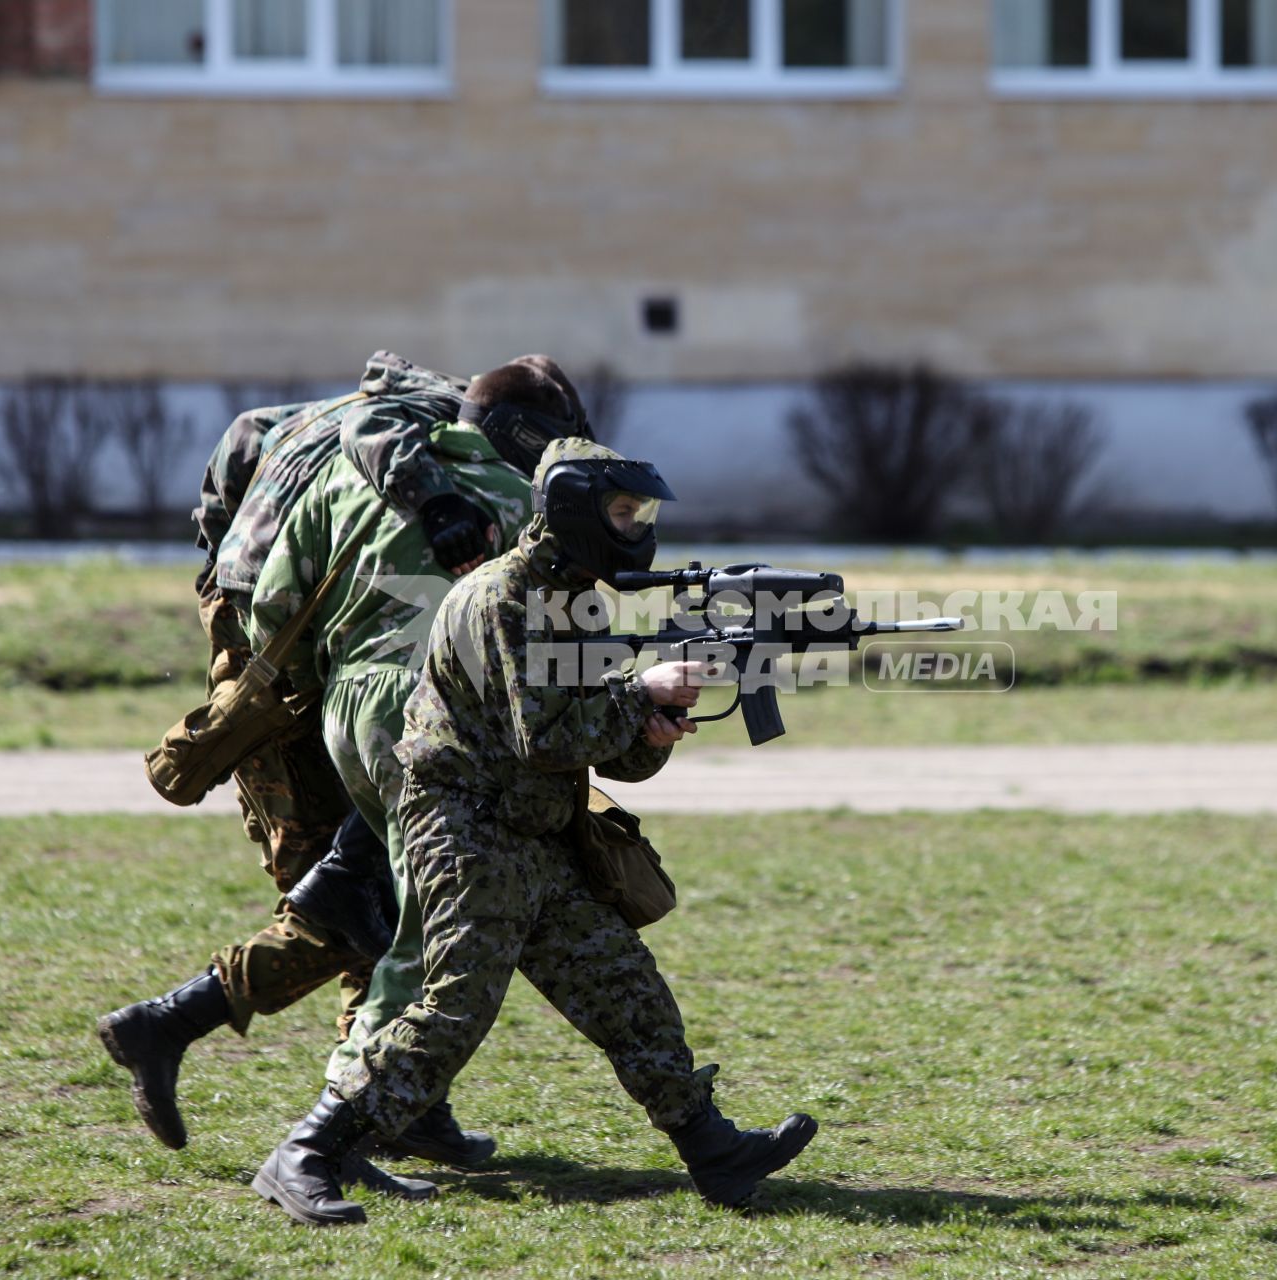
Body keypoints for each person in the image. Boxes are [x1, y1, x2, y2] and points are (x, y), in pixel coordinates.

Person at [253, 438, 818, 1227]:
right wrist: (640, 691)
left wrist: (650, 724)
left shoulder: (570, 599)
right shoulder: (507, 599)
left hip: (527, 833)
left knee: (624, 988)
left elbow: (594, 743)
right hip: (466, 829)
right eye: (622, 513)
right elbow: (545, 737)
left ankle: (712, 1148)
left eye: (640, 514)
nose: (636, 528)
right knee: (452, 1013)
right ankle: (306, 1154)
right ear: (575, 512)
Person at [97, 353, 554, 1162]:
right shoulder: (421, 432)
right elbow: (370, 444)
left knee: (366, 883)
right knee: (356, 894)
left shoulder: (311, 419)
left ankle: (395, 1102)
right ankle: (328, 1096)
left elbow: (236, 458)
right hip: (311, 669)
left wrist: (228, 587)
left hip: (296, 654)